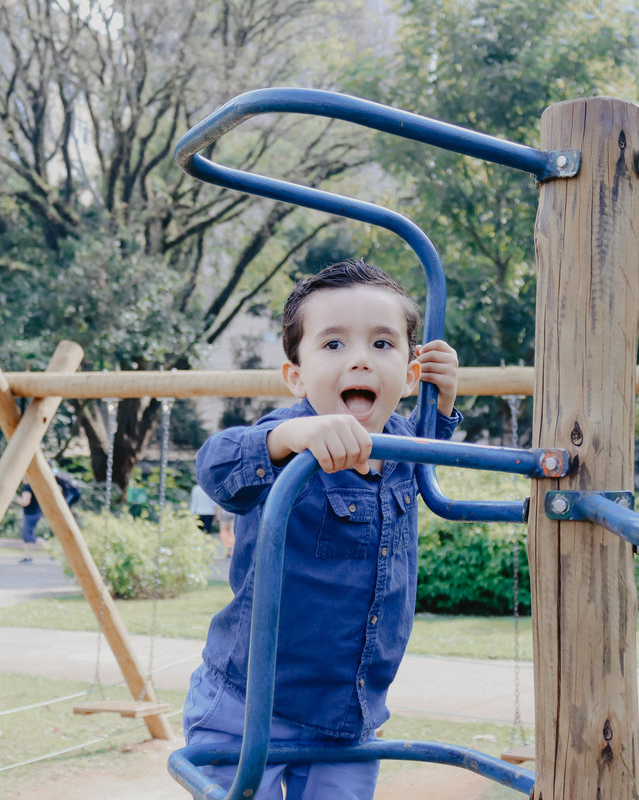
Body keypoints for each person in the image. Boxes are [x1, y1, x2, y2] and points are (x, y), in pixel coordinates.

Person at [184, 258, 460, 799]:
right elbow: (215, 465)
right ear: (296, 375)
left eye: (382, 343)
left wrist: (443, 399)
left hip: (349, 713)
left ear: (409, 375)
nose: (360, 359)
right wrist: (290, 437)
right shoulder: (287, 439)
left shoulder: (405, 444)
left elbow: (433, 443)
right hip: (250, 704)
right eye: (333, 344)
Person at [15, 469, 81, 563]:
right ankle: (27, 556)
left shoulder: (27, 487)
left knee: (27, 535)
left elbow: (25, 502)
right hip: (35, 513)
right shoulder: (34, 485)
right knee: (26, 535)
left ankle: (50, 549)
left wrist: (17, 499)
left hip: (30, 514)